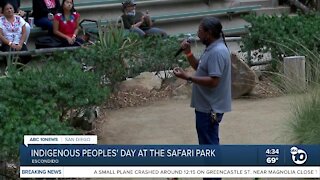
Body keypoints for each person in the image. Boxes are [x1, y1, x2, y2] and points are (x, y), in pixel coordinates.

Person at [173, 17, 231, 180]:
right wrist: (188, 53)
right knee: (208, 146)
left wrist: (188, 77)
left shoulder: (217, 52)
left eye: (200, 31)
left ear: (209, 33)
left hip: (209, 108)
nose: (197, 34)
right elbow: (200, 68)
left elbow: (213, 81)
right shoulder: (212, 47)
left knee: (209, 148)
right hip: (206, 107)